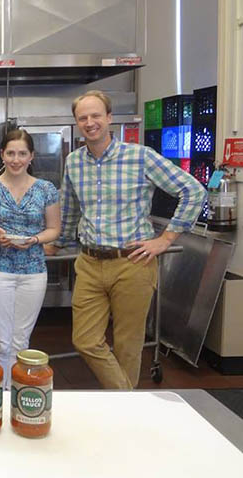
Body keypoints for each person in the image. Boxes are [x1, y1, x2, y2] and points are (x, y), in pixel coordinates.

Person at [45, 90, 206, 389]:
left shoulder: (140, 156)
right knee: (85, 340)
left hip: (133, 263)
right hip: (90, 263)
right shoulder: (74, 162)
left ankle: (124, 414)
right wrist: (55, 243)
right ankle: (129, 400)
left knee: (127, 346)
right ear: (77, 123)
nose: (90, 122)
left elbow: (194, 190)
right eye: (83, 118)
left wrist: (166, 238)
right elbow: (68, 209)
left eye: (96, 116)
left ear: (109, 118)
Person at [0, 129, 61, 389]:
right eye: (10, 153)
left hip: (33, 270)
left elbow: (54, 229)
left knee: (21, 339)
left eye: (22, 153)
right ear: (2, 154)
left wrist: (34, 240)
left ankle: (16, 392)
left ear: (31, 156)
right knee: (0, 339)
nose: (16, 159)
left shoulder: (46, 189)